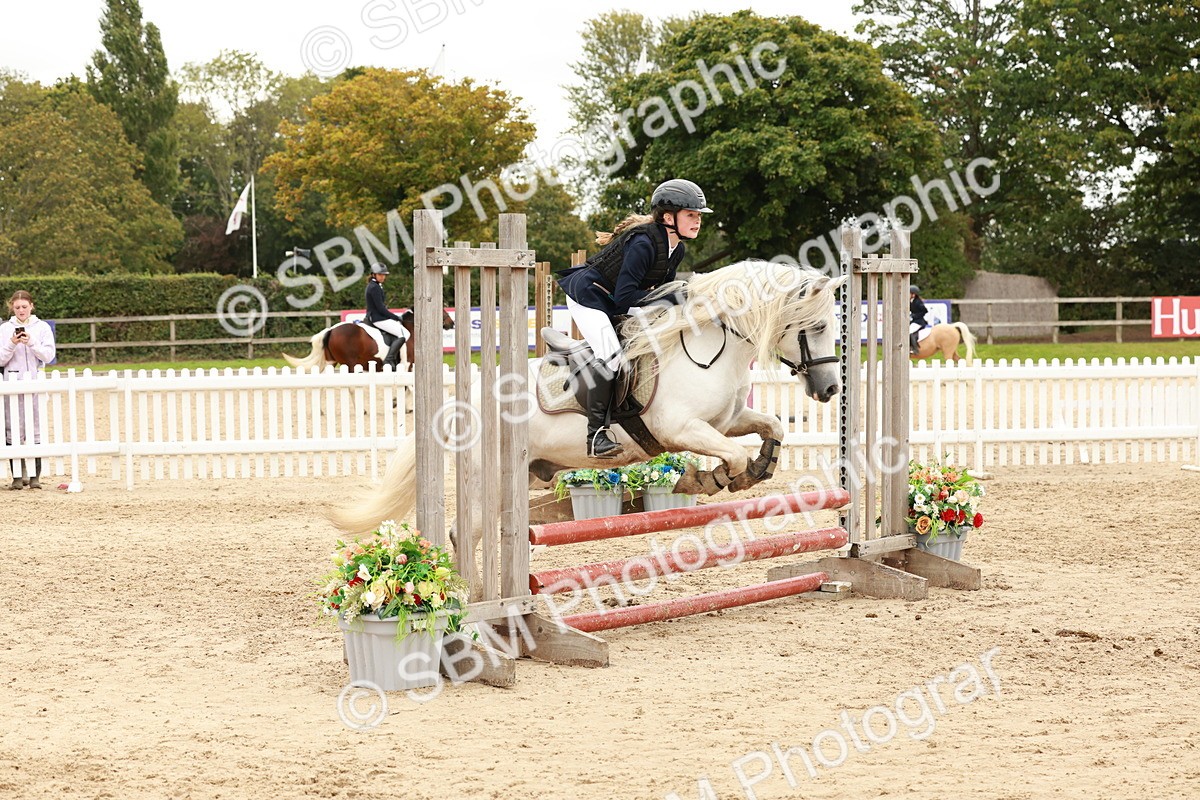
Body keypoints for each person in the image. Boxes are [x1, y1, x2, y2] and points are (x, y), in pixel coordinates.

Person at [557, 178, 711, 458]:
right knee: (612, 356)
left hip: (615, 299)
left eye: (698, 215)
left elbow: (659, 293)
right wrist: (672, 298)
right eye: (691, 214)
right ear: (668, 217)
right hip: (590, 297)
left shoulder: (677, 249)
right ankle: (596, 436)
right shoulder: (643, 244)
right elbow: (625, 298)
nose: (697, 220)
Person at [0, 290, 56, 489]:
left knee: (35, 429)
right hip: (12, 385)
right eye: (17, 307)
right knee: (13, 430)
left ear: (31, 306)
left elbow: (48, 355)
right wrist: (11, 344)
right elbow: (0, 359)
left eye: (24, 306)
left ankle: (34, 477)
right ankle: (17, 476)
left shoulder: (42, 327)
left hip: (35, 383)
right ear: (12, 308)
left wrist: (31, 342)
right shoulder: (5, 329)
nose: (21, 310)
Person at [364, 263, 408, 369]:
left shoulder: (375, 285)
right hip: (377, 318)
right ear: (373, 275)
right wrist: (395, 317)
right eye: (380, 275)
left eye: (384, 275)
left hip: (378, 317)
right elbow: (381, 309)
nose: (383, 277)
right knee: (403, 334)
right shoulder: (374, 287)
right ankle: (388, 359)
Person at [909, 285, 930, 355]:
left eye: (909, 293)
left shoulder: (918, 302)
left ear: (913, 294)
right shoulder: (911, 301)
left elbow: (925, 311)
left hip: (919, 322)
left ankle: (915, 349)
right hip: (914, 321)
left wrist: (914, 316)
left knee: (910, 331)